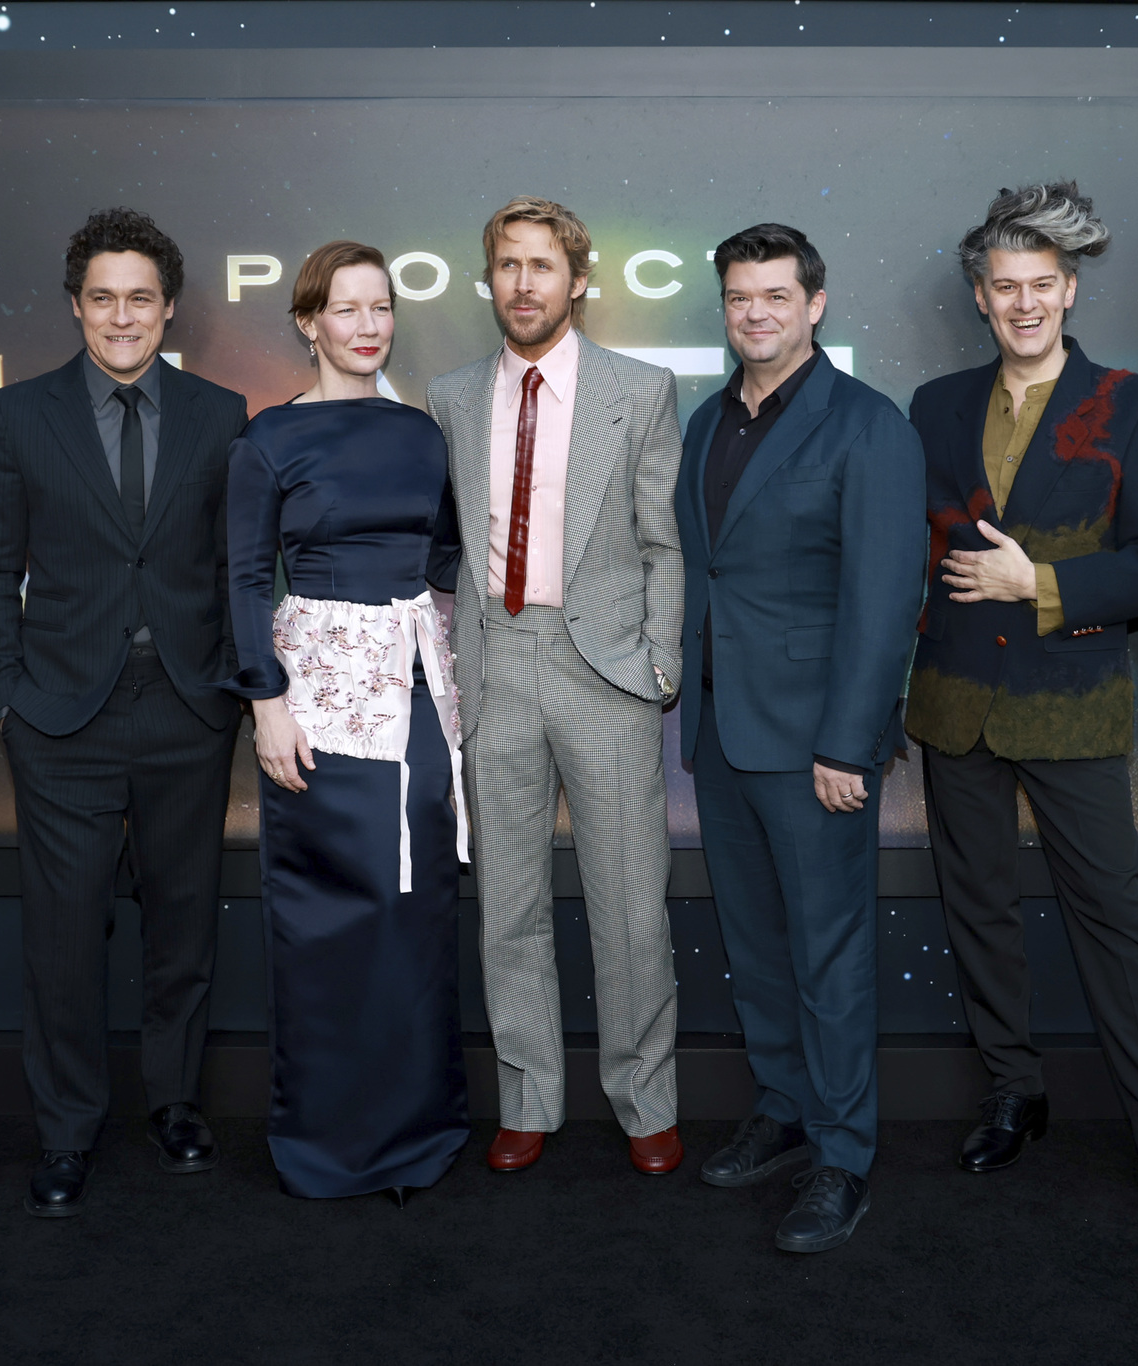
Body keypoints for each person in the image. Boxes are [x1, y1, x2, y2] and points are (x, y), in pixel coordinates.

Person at [905, 182, 1138, 1241]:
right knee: (976, 910)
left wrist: (1043, 585)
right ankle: (1013, 1093)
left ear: (1068, 290)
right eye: (1003, 287)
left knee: (1115, 923)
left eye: (1040, 285)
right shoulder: (933, 405)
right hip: (953, 703)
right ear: (980, 297)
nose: (1022, 303)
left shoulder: (1137, 405)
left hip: (1069, 701)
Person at [0, 208, 250, 1217]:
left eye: (140, 298)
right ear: (75, 306)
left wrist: (230, 684)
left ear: (168, 309)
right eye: (102, 298)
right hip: (59, 719)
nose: (121, 316)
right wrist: (7, 697)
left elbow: (238, 565)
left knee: (183, 925)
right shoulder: (18, 415)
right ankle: (67, 1129)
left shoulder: (221, 414)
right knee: (63, 935)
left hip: (186, 708)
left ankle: (173, 1102)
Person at [677, 223, 925, 1254]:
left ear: (814, 305)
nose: (757, 313)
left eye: (776, 295)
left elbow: (883, 601)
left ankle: (841, 1155)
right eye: (740, 296)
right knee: (757, 948)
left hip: (815, 747)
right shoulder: (705, 421)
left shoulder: (867, 425)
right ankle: (783, 1110)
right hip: (721, 736)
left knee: (830, 956)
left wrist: (846, 745)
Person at [425, 197, 685, 1176]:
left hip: (605, 670)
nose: (523, 283)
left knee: (630, 908)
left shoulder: (641, 390)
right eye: (508, 265)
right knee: (508, 906)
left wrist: (657, 663)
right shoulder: (451, 396)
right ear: (489, 279)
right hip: (498, 662)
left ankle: (645, 1101)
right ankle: (527, 1097)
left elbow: (663, 542)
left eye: (542, 266)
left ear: (577, 281)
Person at [221, 241, 470, 1204]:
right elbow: (245, 577)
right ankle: (331, 1144)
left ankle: (414, 1136)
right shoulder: (270, 439)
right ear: (308, 323)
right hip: (317, 710)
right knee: (331, 920)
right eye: (347, 309)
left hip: (417, 704)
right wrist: (266, 704)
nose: (368, 327)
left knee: (415, 918)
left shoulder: (422, 434)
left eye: (381, 308)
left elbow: (445, 560)